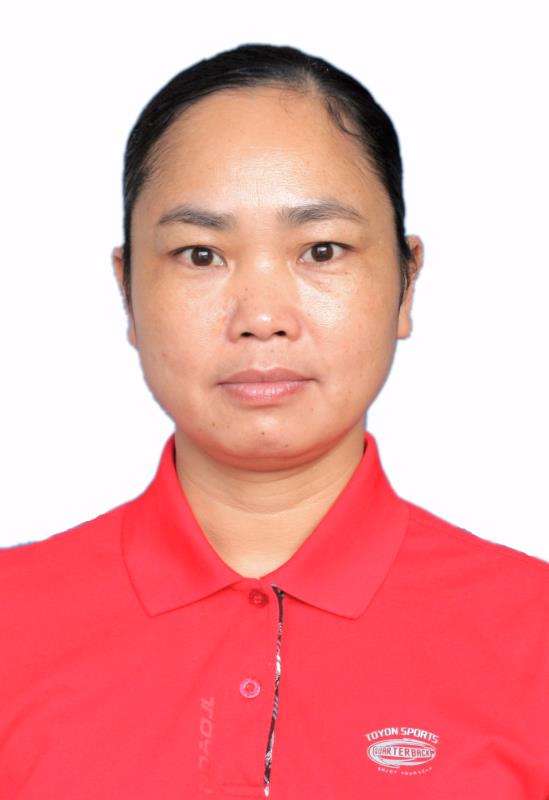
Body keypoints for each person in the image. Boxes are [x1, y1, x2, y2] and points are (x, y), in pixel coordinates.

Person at [0, 43, 547, 800]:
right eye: (200, 255)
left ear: (406, 281)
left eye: (321, 250)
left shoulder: (532, 637)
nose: (261, 318)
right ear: (127, 289)